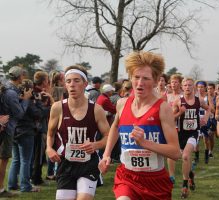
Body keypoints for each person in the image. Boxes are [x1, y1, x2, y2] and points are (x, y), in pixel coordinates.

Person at [98, 51, 181, 200]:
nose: (140, 83)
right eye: (136, 77)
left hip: (155, 181)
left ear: (156, 81)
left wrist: (145, 143)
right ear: (130, 78)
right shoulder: (122, 104)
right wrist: (106, 154)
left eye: (146, 78)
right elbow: (116, 127)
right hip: (127, 177)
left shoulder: (163, 109)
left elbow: (175, 153)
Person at [46, 65, 109, 200]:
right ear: (65, 85)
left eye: (76, 81)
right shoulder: (57, 108)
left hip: (88, 164)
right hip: (65, 164)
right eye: (68, 81)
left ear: (85, 83)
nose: (72, 85)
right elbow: (50, 134)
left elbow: (108, 136)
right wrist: (49, 148)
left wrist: (96, 145)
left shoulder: (96, 109)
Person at [173, 77, 209, 198]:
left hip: (194, 132)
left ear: (193, 87)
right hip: (181, 133)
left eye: (189, 85)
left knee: (186, 156)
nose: (187, 87)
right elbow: (172, 118)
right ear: (182, 87)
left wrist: (206, 118)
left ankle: (184, 186)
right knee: (184, 159)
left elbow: (209, 109)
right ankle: (191, 175)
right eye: (185, 85)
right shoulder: (178, 101)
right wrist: (180, 113)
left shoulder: (199, 100)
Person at [0, 66, 32, 197]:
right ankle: (1, 189)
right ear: (20, 77)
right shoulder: (11, 93)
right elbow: (19, 113)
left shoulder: (7, 87)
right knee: (4, 159)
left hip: (5, 126)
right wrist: (26, 100)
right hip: (7, 129)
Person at [8, 79, 44, 192]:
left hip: (14, 132)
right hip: (26, 132)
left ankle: (12, 184)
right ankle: (25, 186)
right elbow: (38, 114)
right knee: (25, 160)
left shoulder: (15, 99)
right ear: (28, 90)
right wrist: (38, 103)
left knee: (16, 160)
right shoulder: (27, 102)